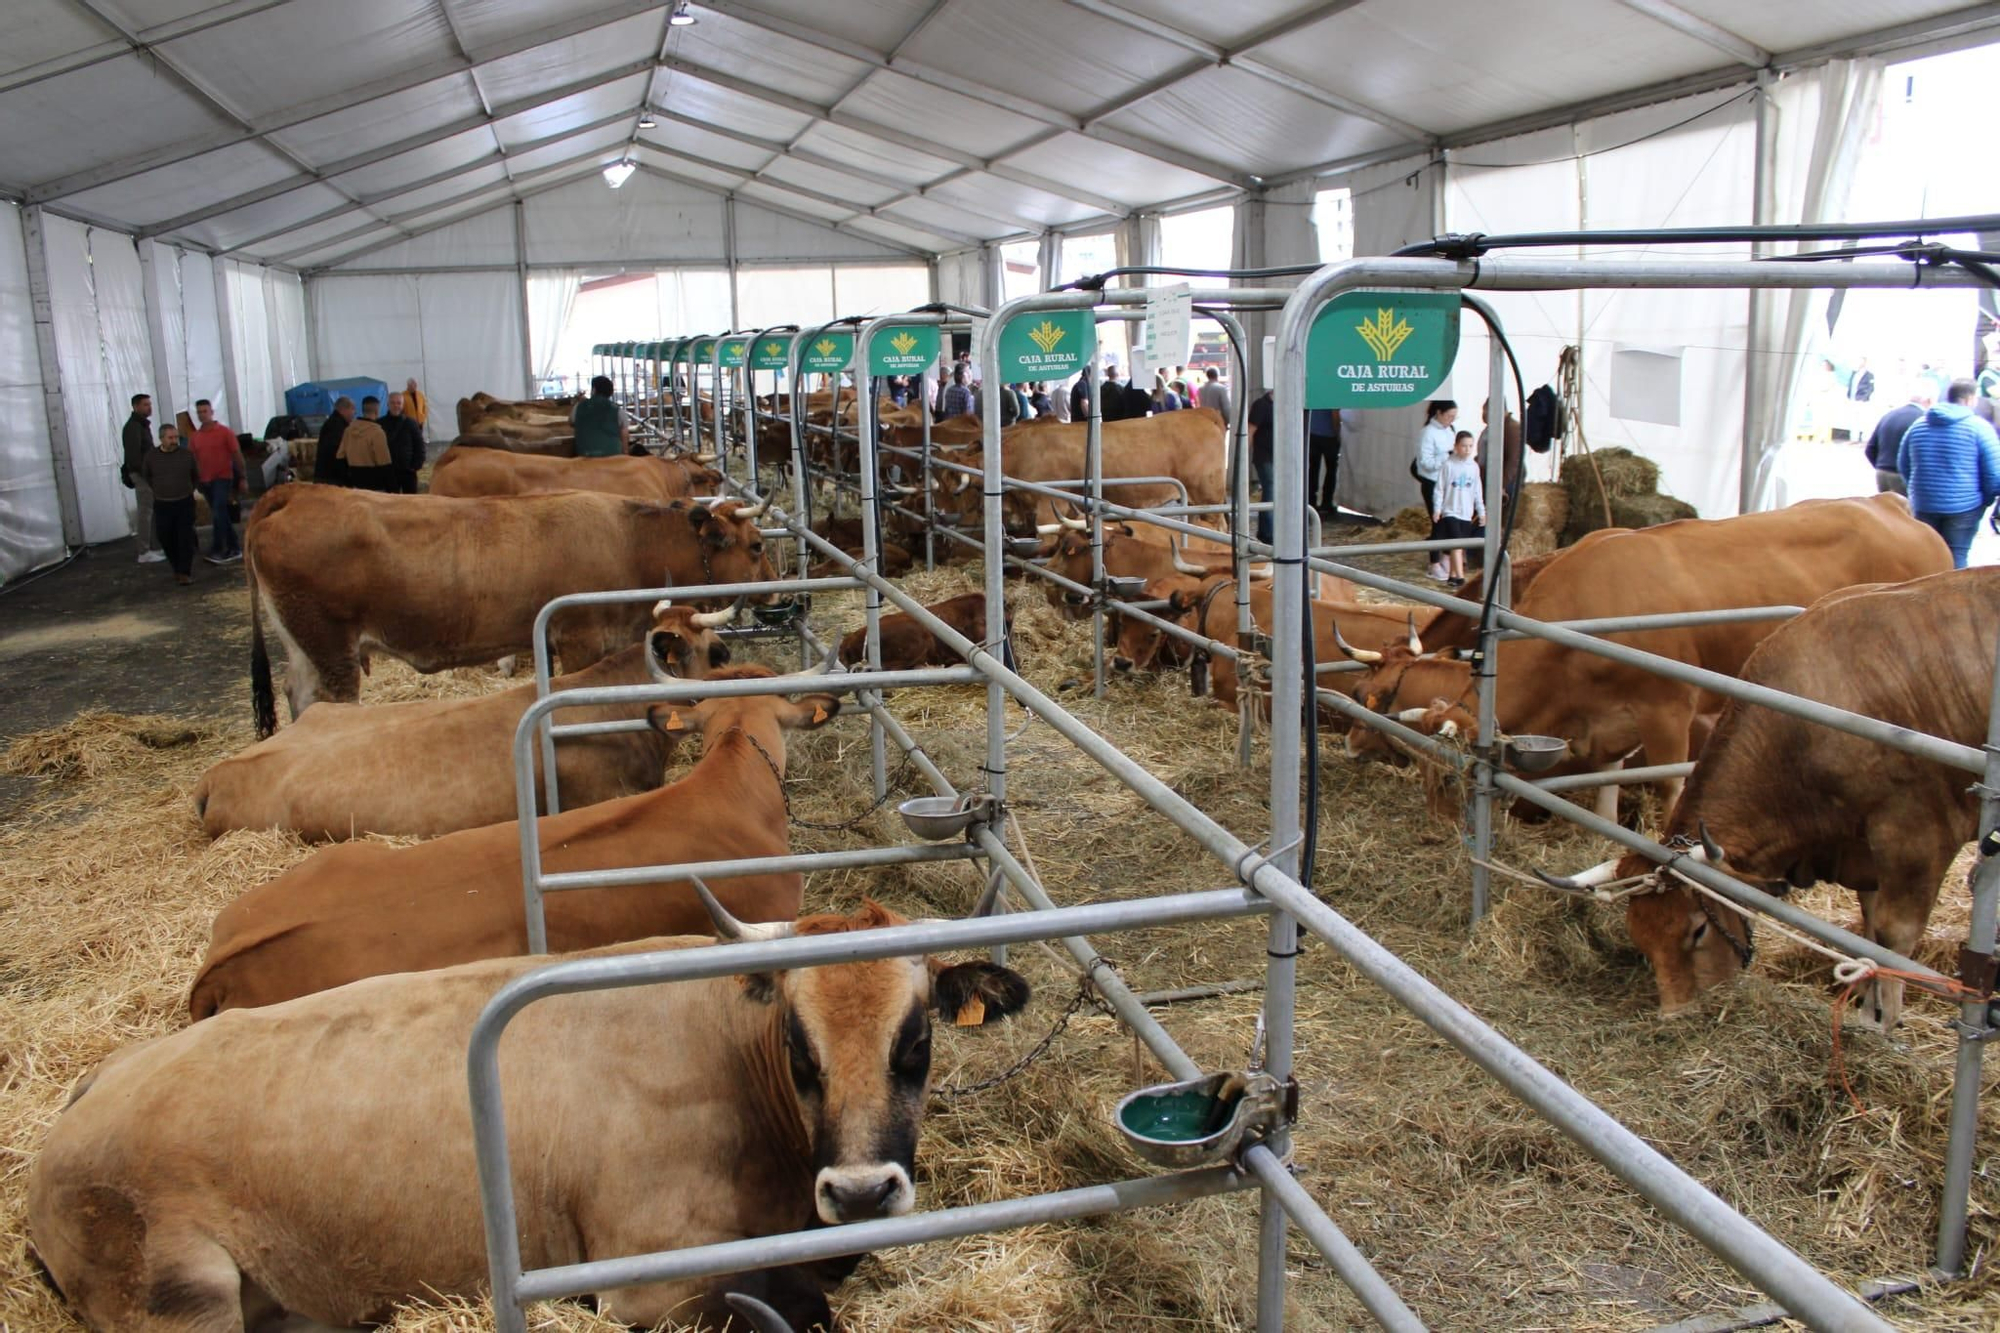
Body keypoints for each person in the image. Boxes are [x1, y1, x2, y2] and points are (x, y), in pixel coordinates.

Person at [1898, 378, 2000, 569]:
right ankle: (1953, 597)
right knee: (1956, 555)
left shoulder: (1918, 425)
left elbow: (1903, 464)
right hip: (1964, 507)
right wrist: (1984, 501)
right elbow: (1994, 474)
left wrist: (1917, 492)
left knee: (1927, 555)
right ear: (1970, 399)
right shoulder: (1979, 428)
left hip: (1924, 504)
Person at [139, 422, 199, 585]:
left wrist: (187, 490)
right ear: (161, 439)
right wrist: (160, 490)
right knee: (165, 537)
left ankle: (184, 572)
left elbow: (195, 475)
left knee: (184, 538)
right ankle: (177, 567)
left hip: (184, 502)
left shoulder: (186, 455)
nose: (174, 441)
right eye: (170, 438)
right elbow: (147, 476)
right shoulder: (151, 457)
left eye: (176, 437)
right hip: (163, 503)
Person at [188, 399, 247, 564]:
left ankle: (218, 548)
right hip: (204, 480)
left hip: (222, 477)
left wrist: (242, 477)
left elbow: (237, 455)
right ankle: (234, 547)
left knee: (218, 512)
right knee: (221, 514)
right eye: (199, 412)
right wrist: (195, 480)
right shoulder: (195, 437)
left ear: (212, 412)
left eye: (204, 411)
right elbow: (192, 460)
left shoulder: (225, 432)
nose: (202, 415)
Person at [1432, 430, 1486, 587]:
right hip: (1450, 511)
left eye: (1470, 446)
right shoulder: (1448, 465)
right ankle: (1461, 578)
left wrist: (1481, 511)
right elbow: (1439, 488)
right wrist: (1437, 508)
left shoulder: (1474, 467)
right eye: (1464, 446)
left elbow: (1477, 491)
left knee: (1460, 543)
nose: (1467, 449)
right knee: (1457, 543)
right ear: (1456, 446)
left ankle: (1452, 576)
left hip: (1466, 513)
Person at [1415, 400, 1457, 580]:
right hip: (1432, 482)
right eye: (1449, 416)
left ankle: (1447, 556)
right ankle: (1434, 563)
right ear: (1438, 413)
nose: (1451, 420)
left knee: (1451, 520)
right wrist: (1445, 458)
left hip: (1450, 481)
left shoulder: (1451, 431)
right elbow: (1425, 462)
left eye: (1454, 416)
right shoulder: (1427, 433)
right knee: (1438, 522)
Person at [1865, 383, 1932, 495]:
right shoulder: (1923, 419)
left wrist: (1882, 466)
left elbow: (1870, 449)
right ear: (1928, 401)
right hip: (1903, 476)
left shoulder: (1889, 415)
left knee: (1885, 510)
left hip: (1882, 474)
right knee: (1905, 511)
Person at [121, 391, 164, 564]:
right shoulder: (133, 427)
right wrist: (146, 473)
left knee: (150, 511)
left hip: (146, 474)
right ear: (136, 406)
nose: (149, 407)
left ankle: (153, 547)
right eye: (146, 404)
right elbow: (134, 456)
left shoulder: (141, 425)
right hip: (142, 475)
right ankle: (144, 550)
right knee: (145, 512)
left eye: (150, 404)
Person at [337, 397, 396, 491]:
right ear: (377, 410)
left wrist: (347, 481)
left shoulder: (348, 430)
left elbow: (340, 457)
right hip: (375, 484)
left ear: (363, 410)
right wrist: (393, 489)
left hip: (355, 483)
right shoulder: (377, 432)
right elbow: (384, 462)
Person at [571, 375, 628, 458]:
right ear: (611, 392)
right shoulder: (618, 410)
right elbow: (624, 436)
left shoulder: (579, 407)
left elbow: (571, 422)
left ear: (594, 390)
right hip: (613, 457)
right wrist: (626, 455)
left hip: (585, 456)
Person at [379, 390, 425, 492]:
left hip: (408, 471)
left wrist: (416, 465)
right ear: (387, 404)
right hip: (389, 472)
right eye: (393, 403)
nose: (396, 406)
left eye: (399, 403)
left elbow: (420, 445)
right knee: (391, 502)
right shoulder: (380, 424)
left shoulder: (411, 423)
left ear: (403, 405)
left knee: (411, 502)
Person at [1248, 388, 1275, 546]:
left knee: (1272, 493)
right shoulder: (1261, 405)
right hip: (1264, 456)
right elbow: (1251, 430)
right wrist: (1245, 454)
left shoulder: (1284, 405)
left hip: (1278, 456)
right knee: (1270, 490)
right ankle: (1269, 534)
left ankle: (1265, 532)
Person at [1307, 408, 1340, 515]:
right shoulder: (1332, 394)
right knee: (1331, 470)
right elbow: (1335, 414)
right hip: (1329, 436)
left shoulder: (1315, 392)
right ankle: (1327, 502)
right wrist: (1337, 432)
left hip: (1312, 434)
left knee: (1313, 469)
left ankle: (1311, 501)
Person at [315, 396, 355, 486]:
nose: (354, 413)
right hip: (331, 478)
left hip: (326, 475)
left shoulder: (332, 423)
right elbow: (337, 452)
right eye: (352, 409)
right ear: (344, 409)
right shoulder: (337, 426)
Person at [403, 377, 428, 444]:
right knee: (410, 437)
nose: (415, 387)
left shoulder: (420, 395)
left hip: (420, 421)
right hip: (409, 422)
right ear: (408, 385)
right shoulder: (402, 395)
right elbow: (401, 410)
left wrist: (423, 417)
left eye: (415, 385)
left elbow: (425, 407)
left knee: (419, 437)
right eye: (413, 385)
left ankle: (419, 447)